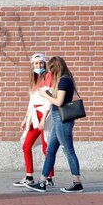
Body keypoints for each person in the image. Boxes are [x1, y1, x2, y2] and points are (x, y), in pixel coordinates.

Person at [26, 56, 84, 193]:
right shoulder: (64, 79)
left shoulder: (64, 80)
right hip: (58, 118)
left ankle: (77, 182)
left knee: (68, 151)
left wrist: (45, 95)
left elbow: (59, 102)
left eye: (52, 68)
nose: (50, 71)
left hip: (62, 120)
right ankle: (42, 182)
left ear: (57, 67)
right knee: (50, 150)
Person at [14, 53, 53, 187]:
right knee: (26, 145)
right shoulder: (33, 79)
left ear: (44, 64)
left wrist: (44, 120)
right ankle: (29, 176)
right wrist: (25, 118)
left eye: (41, 63)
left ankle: (49, 177)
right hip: (34, 115)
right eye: (36, 63)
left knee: (46, 146)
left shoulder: (48, 76)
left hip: (45, 114)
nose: (39, 65)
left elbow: (49, 99)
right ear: (32, 65)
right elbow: (32, 101)